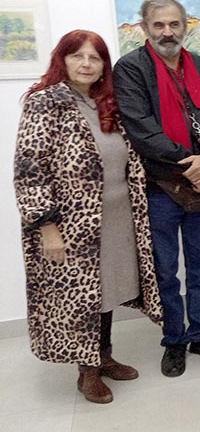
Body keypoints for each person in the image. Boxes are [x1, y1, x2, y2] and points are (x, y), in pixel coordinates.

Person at [13, 30, 163, 404]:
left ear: (103, 66)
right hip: (70, 224)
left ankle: (104, 354)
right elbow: (30, 169)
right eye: (77, 56)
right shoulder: (45, 102)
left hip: (116, 217)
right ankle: (87, 372)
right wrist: (47, 227)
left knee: (107, 289)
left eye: (94, 58)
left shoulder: (106, 102)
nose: (86, 64)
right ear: (61, 60)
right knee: (81, 296)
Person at [114, 0, 200, 378]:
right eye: (159, 25)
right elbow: (142, 131)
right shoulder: (130, 69)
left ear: (185, 26)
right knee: (165, 272)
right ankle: (174, 340)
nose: (167, 32)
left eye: (174, 24)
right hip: (159, 187)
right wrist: (193, 165)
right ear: (145, 27)